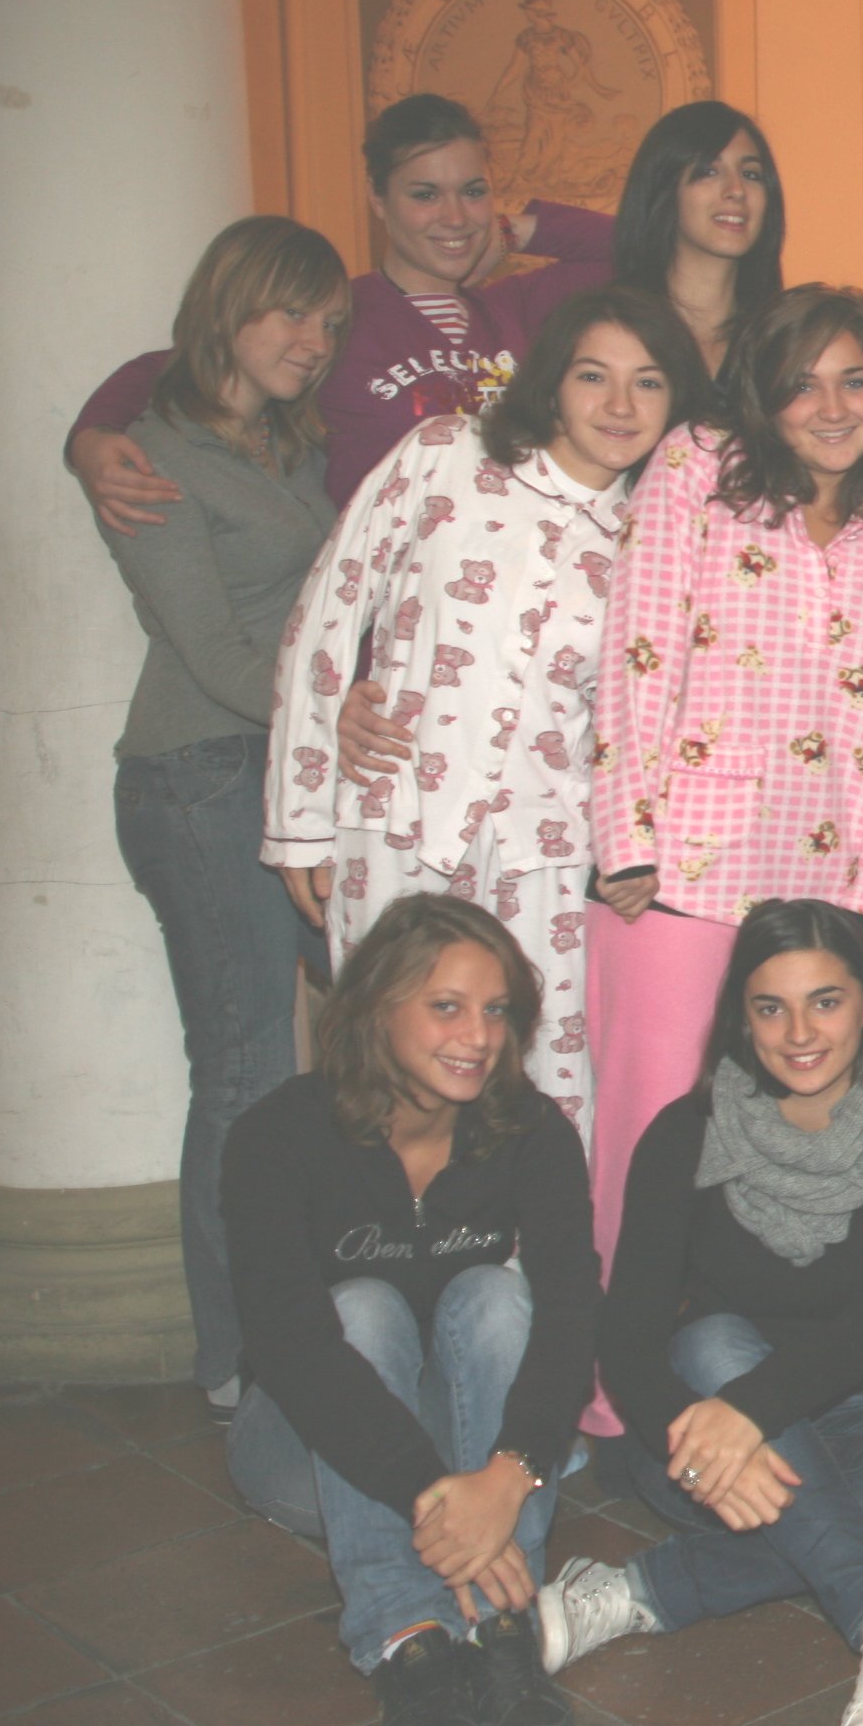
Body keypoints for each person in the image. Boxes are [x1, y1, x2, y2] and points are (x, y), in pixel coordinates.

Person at [589, 286, 863, 1328]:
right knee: (651, 1138)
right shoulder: (698, 468)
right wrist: (625, 838)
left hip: (820, 880)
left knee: (788, 1147)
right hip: (680, 869)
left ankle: (765, 1366)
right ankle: (614, 1391)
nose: (832, 408)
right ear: (763, 392)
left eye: (855, 381)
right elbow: (637, 653)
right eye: (803, 385)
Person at [539, 900, 863, 1726]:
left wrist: (751, 1413)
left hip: (850, 1431)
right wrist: (714, 1433)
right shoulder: (685, 1135)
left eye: (825, 1001)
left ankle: (638, 1590)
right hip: (697, 1447)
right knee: (712, 1343)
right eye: (771, 1007)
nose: (799, 1033)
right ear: (741, 1017)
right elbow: (627, 1338)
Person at [266, 288, 712, 1132]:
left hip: (546, 852)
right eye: (593, 376)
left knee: (545, 1087)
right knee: (380, 1072)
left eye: (649, 382)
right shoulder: (444, 454)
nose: (620, 405)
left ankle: (540, 1227)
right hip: (396, 817)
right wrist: (301, 820)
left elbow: (656, 716)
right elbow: (328, 615)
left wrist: (637, 847)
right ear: (552, 382)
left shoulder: (657, 537)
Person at [220, 895, 596, 1726]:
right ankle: (406, 1636)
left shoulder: (532, 1132)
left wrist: (508, 1475)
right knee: (361, 1308)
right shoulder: (276, 1137)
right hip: (314, 1450)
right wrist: (443, 1499)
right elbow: (292, 1347)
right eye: (446, 1007)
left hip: (473, 1454)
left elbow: (573, 1313)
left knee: (494, 1297)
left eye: (496, 1010)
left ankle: (502, 1629)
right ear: (377, 1006)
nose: (478, 1037)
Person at [98, 214, 345, 1419]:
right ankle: (239, 1362)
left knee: (311, 1062)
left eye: (328, 323)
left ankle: (297, 1326)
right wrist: (345, 719)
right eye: (291, 313)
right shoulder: (153, 456)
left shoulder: (287, 446)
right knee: (247, 1072)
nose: (314, 341)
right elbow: (214, 653)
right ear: (231, 307)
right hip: (200, 775)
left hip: (282, 773)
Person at [66, 92, 616, 522]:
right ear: (377, 199)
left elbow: (643, 249)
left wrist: (516, 229)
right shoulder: (334, 316)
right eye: (425, 194)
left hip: (513, 605)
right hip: (382, 618)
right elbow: (185, 364)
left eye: (473, 192)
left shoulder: (518, 307)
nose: (454, 217)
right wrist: (93, 437)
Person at [612, 99, 786, 377]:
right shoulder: (611, 332)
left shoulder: (783, 344)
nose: (736, 190)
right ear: (664, 190)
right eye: (708, 171)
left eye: (751, 174)